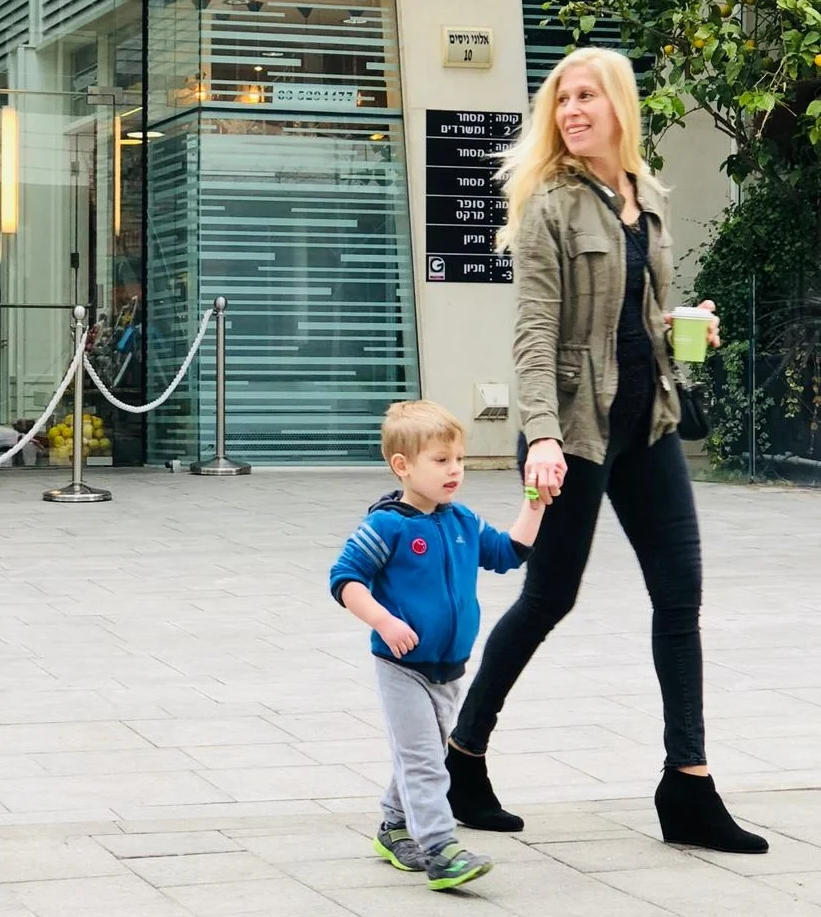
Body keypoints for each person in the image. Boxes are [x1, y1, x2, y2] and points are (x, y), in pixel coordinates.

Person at [442, 46, 768, 855]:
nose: (573, 109)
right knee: (549, 597)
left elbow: (639, 313)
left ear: (621, 106)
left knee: (680, 595)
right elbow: (534, 334)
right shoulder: (549, 205)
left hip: (647, 420)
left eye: (588, 95)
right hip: (573, 431)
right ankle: (463, 757)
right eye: (562, 99)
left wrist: (685, 319)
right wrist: (542, 437)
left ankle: (687, 784)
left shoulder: (642, 198)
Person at [329, 401, 544, 890]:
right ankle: (441, 848)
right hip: (402, 667)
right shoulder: (388, 526)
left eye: (460, 460)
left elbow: (509, 553)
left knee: (420, 754)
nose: (455, 471)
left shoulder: (462, 521)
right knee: (426, 759)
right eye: (441, 460)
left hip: (450, 670)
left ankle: (393, 825)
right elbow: (345, 579)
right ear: (402, 466)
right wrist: (384, 621)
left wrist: (534, 506)